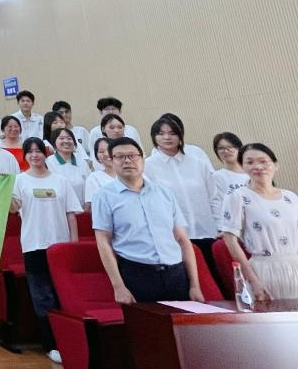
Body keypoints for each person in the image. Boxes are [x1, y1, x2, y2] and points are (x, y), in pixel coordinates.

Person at [91, 137, 204, 304]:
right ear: (112, 162)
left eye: (132, 155)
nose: (127, 161)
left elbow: (182, 240)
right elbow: (103, 243)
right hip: (137, 273)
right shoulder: (104, 196)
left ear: (142, 159)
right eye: (120, 157)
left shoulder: (164, 193)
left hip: (176, 274)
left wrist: (194, 285)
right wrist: (118, 287)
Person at [11, 138, 82, 363]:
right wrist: (2, 189)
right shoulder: (19, 180)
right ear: (25, 156)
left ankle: (70, 342)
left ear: (45, 154)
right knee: (42, 298)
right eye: (30, 152)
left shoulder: (60, 181)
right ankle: (51, 344)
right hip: (34, 244)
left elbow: (71, 213)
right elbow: (13, 208)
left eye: (38, 151)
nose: (35, 155)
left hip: (60, 246)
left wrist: (74, 243)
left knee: (63, 295)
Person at [220, 143, 298, 300]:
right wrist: (252, 280)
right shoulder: (237, 196)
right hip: (264, 271)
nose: (257, 166)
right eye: (250, 162)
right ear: (242, 167)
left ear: (275, 165)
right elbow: (230, 239)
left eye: (263, 161)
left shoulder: (290, 197)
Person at [144, 116, 219, 269]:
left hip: (207, 232)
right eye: (161, 133)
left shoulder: (197, 163)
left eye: (172, 133)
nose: (167, 137)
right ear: (154, 137)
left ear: (180, 135)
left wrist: (220, 226)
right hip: (174, 238)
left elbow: (214, 197)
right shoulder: (147, 167)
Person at [211, 132, 249, 217]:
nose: (226, 151)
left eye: (230, 147)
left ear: (239, 148)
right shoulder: (216, 177)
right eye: (221, 148)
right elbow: (217, 205)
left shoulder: (252, 172)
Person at [48, 127, 90, 202]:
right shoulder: (48, 163)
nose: (66, 141)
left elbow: (90, 185)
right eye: (61, 138)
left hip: (82, 207)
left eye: (69, 138)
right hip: (58, 206)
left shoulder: (82, 162)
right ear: (54, 143)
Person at [83, 138, 117, 214]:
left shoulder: (129, 173)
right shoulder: (94, 178)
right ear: (97, 157)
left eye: (110, 149)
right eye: (101, 151)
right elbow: (90, 207)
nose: (106, 154)